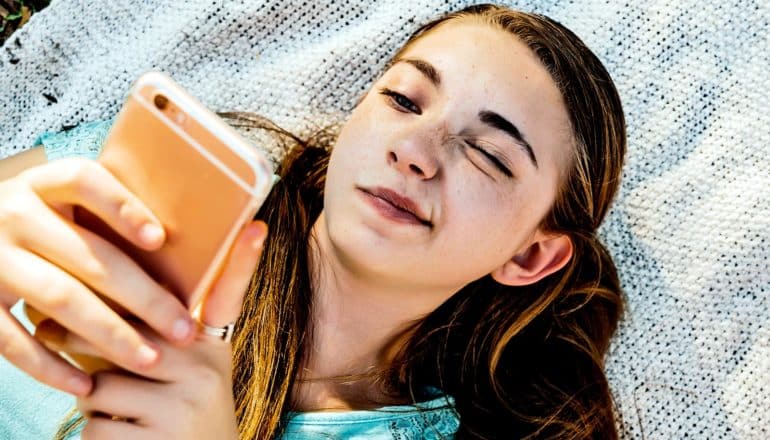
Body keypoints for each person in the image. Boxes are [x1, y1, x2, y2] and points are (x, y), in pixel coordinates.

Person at [0, 3, 626, 439]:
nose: (414, 149)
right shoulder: (160, 177)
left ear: (529, 257)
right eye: (404, 100)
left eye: (490, 155)